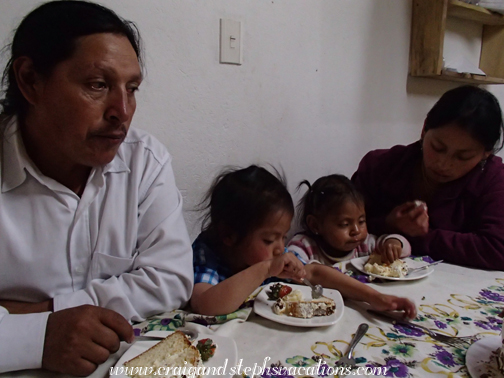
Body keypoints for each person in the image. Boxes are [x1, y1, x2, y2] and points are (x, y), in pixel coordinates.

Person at [0, 1, 193, 375]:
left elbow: (171, 279)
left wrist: (39, 314)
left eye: (132, 88)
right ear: (30, 80)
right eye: (97, 84)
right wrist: (37, 339)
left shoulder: (144, 161)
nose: (122, 111)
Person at [191, 165, 416, 318]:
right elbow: (206, 305)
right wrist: (265, 269)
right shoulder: (207, 253)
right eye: (269, 239)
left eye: (283, 235)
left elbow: (316, 273)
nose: (281, 247)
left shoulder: (275, 253)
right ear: (228, 235)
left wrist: (375, 297)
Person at [352, 85, 504, 271]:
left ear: (485, 154)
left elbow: (497, 249)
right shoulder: (380, 166)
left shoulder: (493, 180)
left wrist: (414, 238)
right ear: (424, 130)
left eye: (462, 157)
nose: (444, 164)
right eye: (438, 148)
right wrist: (388, 223)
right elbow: (334, 225)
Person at [287, 174, 411, 265]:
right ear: (315, 225)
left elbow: (405, 251)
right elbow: (290, 265)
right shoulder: (304, 246)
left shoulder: (365, 245)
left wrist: (394, 243)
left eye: (361, 221)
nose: (356, 230)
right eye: (344, 224)